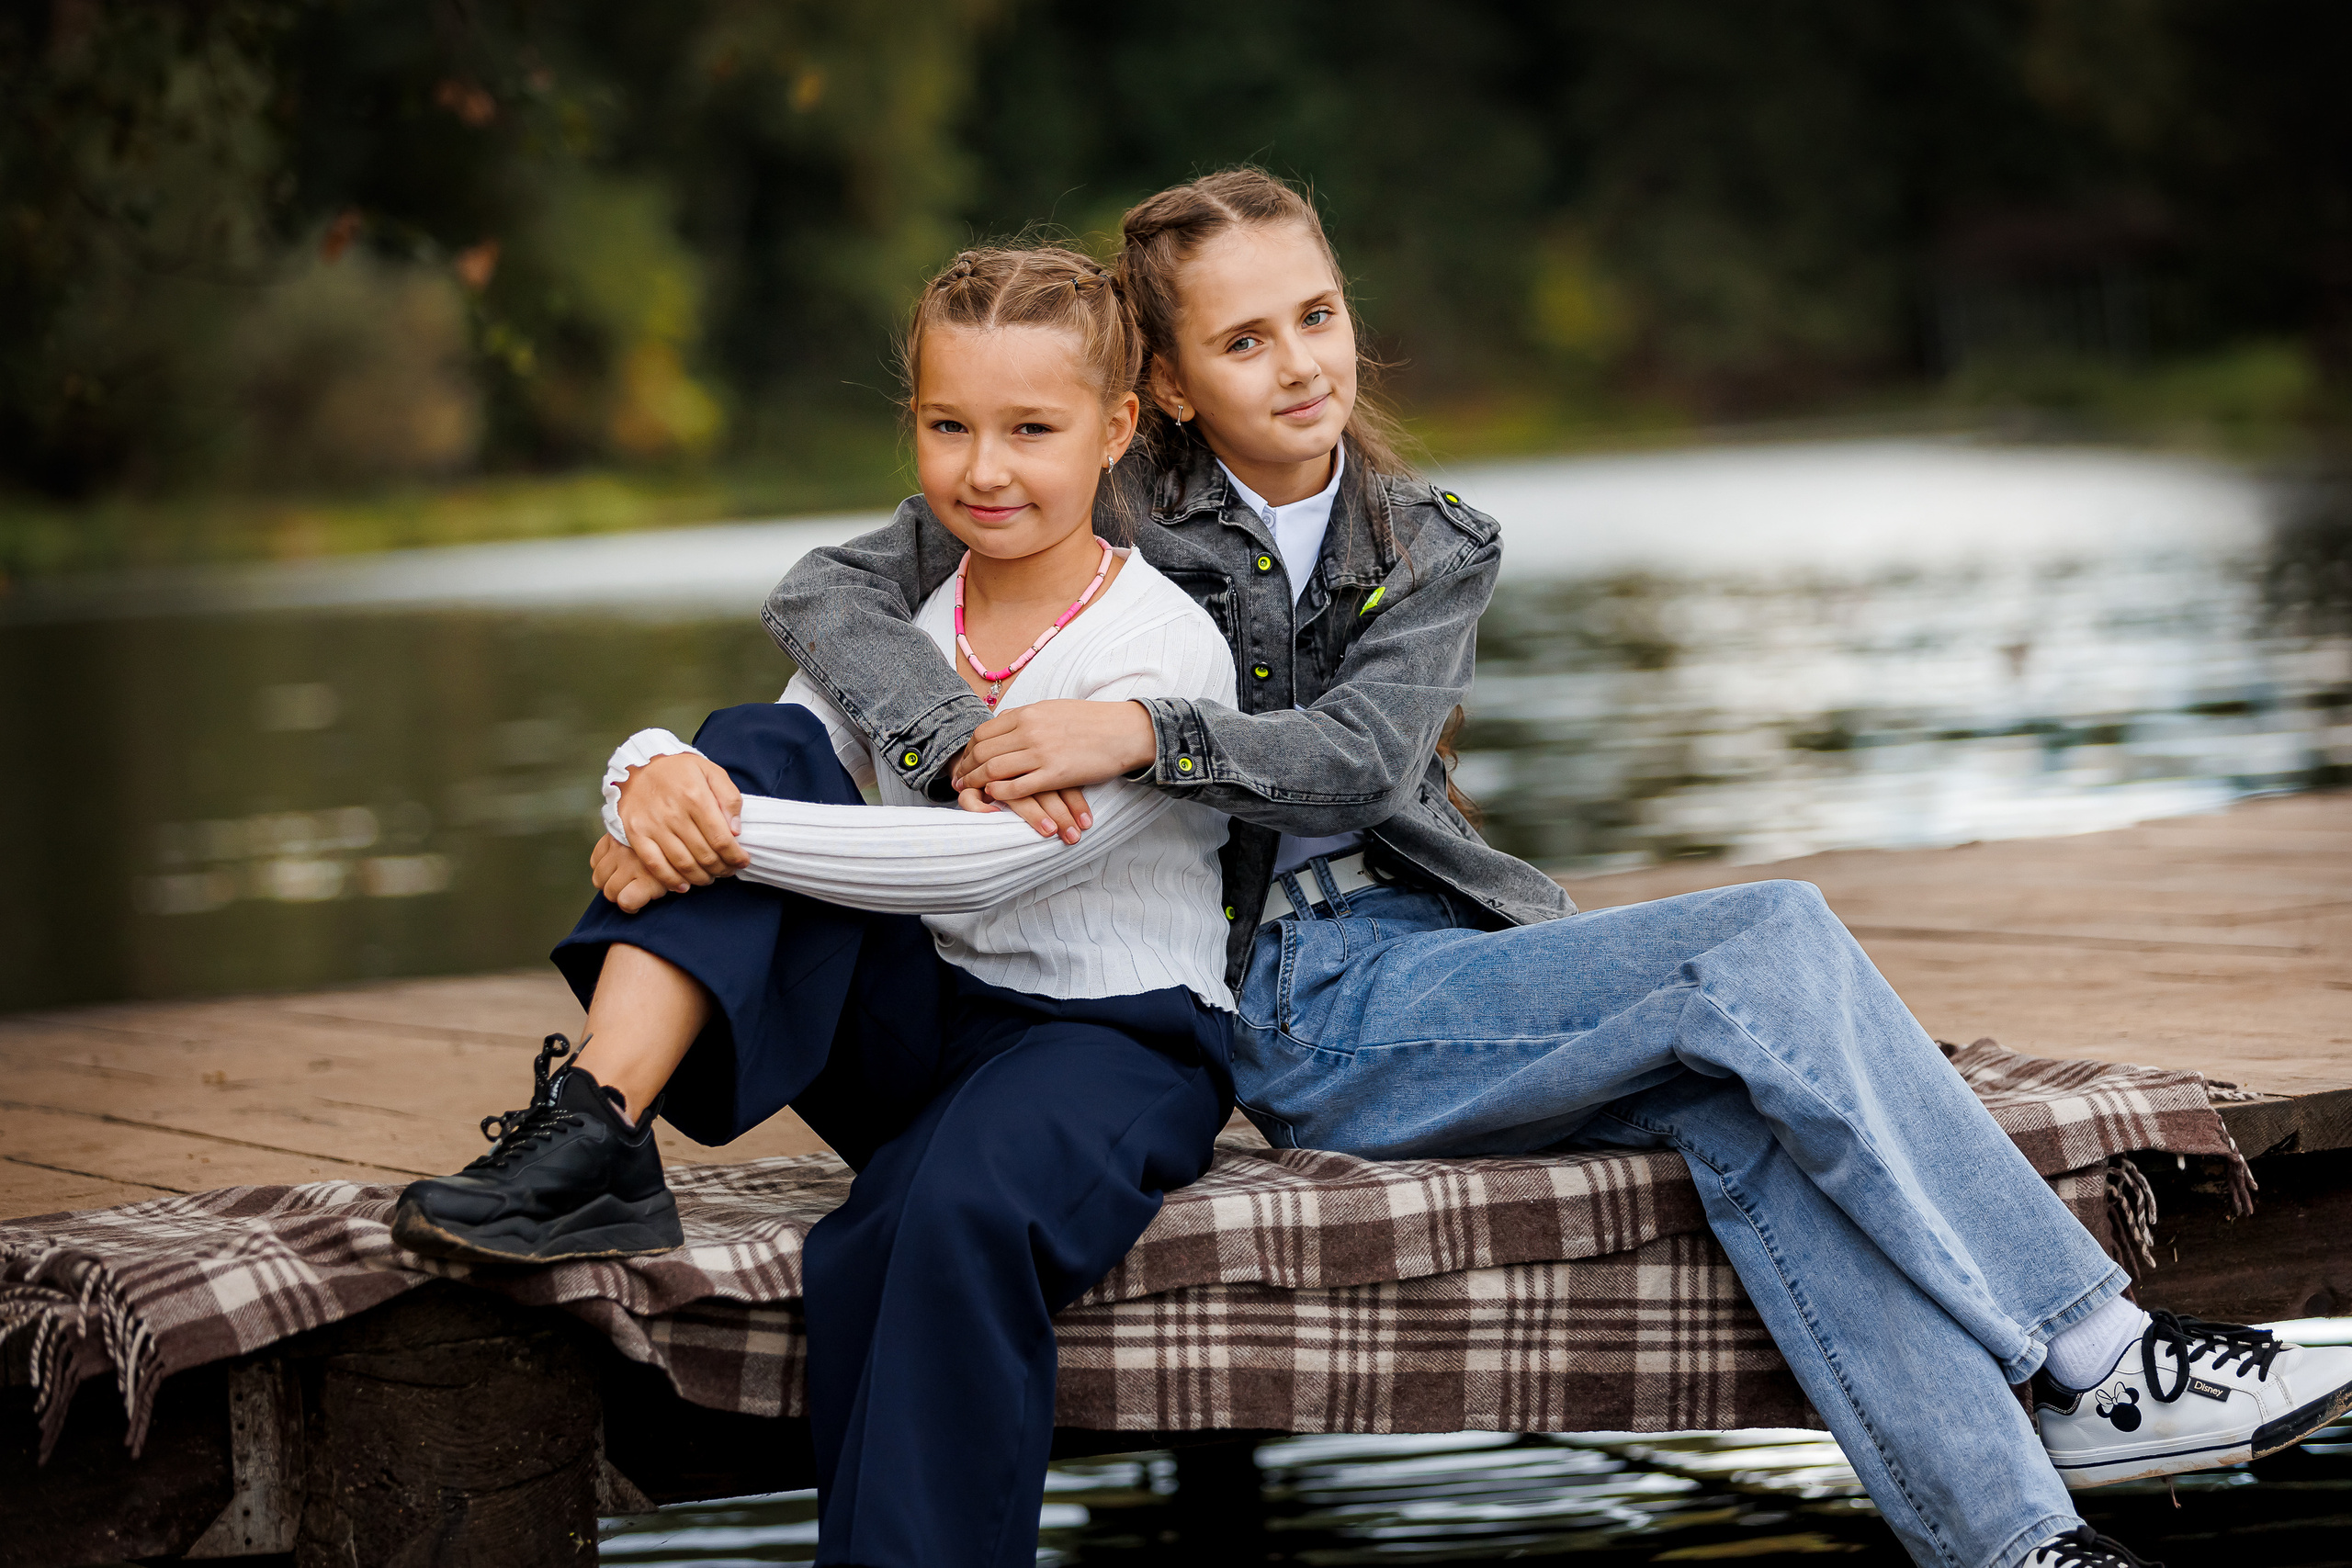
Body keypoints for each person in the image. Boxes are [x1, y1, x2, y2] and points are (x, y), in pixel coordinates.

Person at [740, 169, 2352, 1568]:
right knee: (1771, 939)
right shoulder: (1104, 493)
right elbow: (826, 588)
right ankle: (2101, 1346)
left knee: (1748, 1104)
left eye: (1317, 313)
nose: (1300, 362)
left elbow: (1369, 758)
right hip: (1302, 1005)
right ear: (1157, 381)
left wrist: (1140, 735)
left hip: (1441, 959)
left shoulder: (1433, 538)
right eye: (1243, 338)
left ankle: (2015, 1533)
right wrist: (960, 728)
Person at [391, 245, 1241, 1568]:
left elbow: (982, 866)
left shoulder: (1161, 646)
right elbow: (767, 761)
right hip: (929, 1028)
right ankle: (596, 1129)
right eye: (949, 425)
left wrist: (699, 836)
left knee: (924, 1227)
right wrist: (645, 778)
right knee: (756, 747)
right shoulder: (901, 625)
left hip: (1112, 1041)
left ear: (1117, 429)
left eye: (1032, 429)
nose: (986, 468)